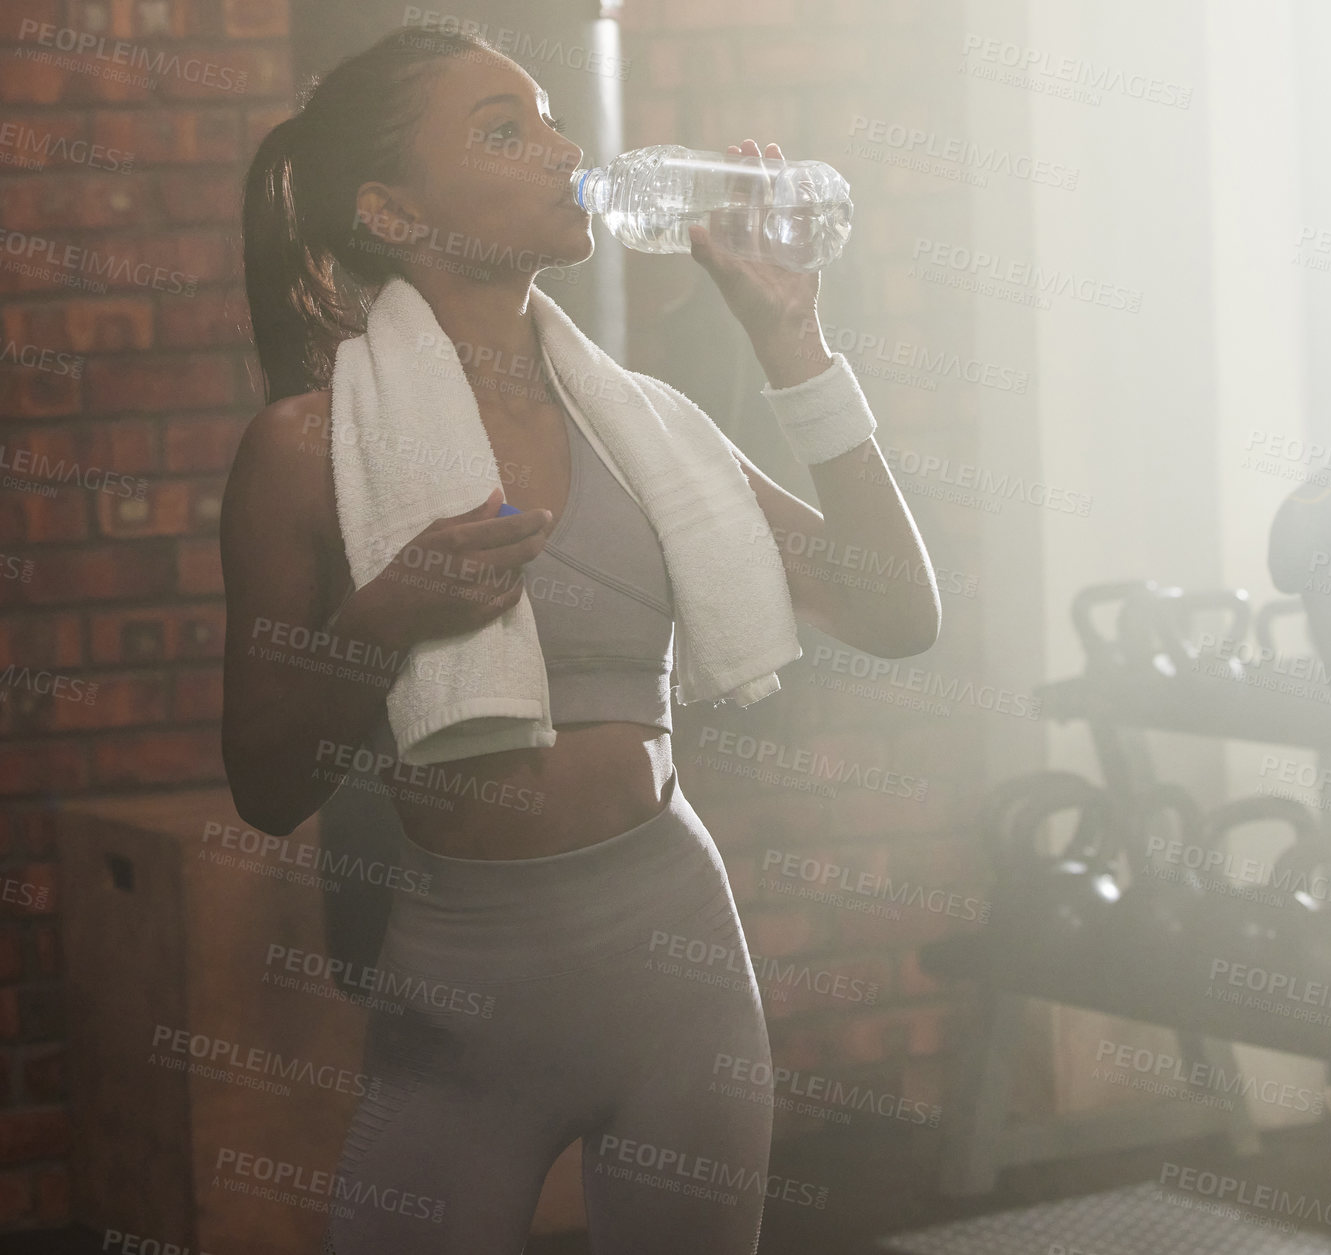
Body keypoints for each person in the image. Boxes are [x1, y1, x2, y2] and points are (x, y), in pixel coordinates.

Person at [221, 25, 939, 1255]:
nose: (562, 151)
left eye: (551, 119)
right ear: (391, 211)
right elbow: (265, 781)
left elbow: (896, 612)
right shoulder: (306, 448)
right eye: (503, 132)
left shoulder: (649, 429)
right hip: (462, 989)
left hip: (677, 962)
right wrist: (393, 609)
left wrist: (793, 349)